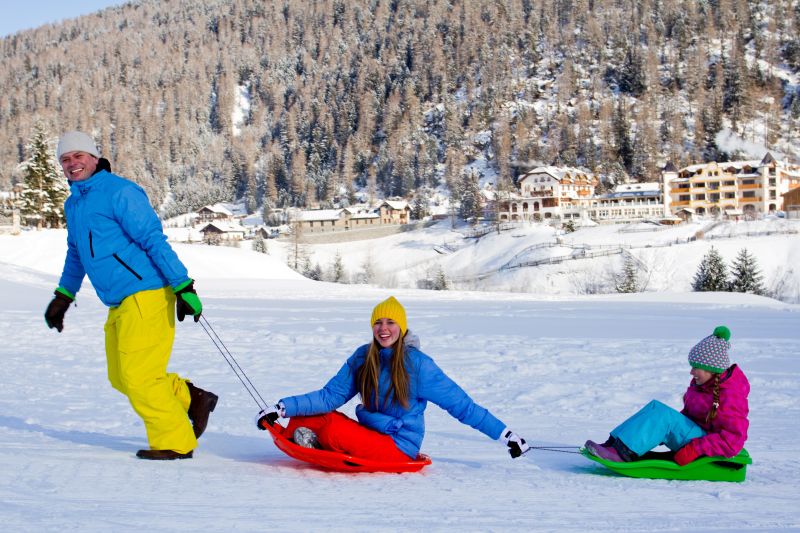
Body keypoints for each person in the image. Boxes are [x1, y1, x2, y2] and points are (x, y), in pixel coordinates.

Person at [44, 131, 218, 461]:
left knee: (140, 377)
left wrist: (183, 286)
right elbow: (76, 253)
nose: (72, 163)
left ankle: (176, 441)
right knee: (121, 377)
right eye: (65, 159)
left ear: (95, 158)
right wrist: (64, 296)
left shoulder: (119, 192)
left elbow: (154, 240)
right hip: (118, 302)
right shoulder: (74, 204)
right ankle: (191, 398)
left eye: (78, 156)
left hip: (147, 293)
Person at [257, 296, 531, 461]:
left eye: (390, 323)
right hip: (371, 431)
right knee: (310, 418)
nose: (384, 329)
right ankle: (313, 436)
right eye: (378, 322)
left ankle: (320, 441)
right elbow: (330, 396)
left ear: (401, 327)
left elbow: (463, 407)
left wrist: (506, 435)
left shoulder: (419, 366)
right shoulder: (363, 356)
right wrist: (281, 408)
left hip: (398, 446)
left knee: (332, 429)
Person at [584, 326, 749, 465]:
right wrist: (658, 430)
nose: (691, 372)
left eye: (695, 367)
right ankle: (614, 444)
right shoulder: (703, 385)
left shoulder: (729, 395)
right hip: (698, 437)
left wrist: (695, 448)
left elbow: (733, 440)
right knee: (656, 409)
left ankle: (622, 454)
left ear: (711, 369)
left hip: (705, 448)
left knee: (664, 418)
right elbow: (690, 418)